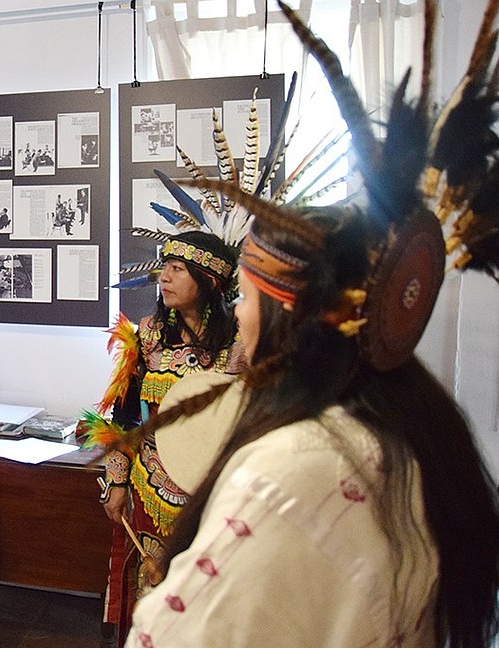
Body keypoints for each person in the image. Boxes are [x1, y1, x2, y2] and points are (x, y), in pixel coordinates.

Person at [120, 3, 499, 644]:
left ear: (288, 318)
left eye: (246, 298)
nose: (239, 313)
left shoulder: (293, 469)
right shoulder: (418, 434)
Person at [96, 230, 245, 645]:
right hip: (150, 487)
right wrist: (117, 481)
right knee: (150, 586)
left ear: (210, 280)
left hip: (212, 491)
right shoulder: (147, 336)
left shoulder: (240, 342)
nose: (165, 277)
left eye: (178, 270)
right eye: (165, 267)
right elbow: (125, 415)